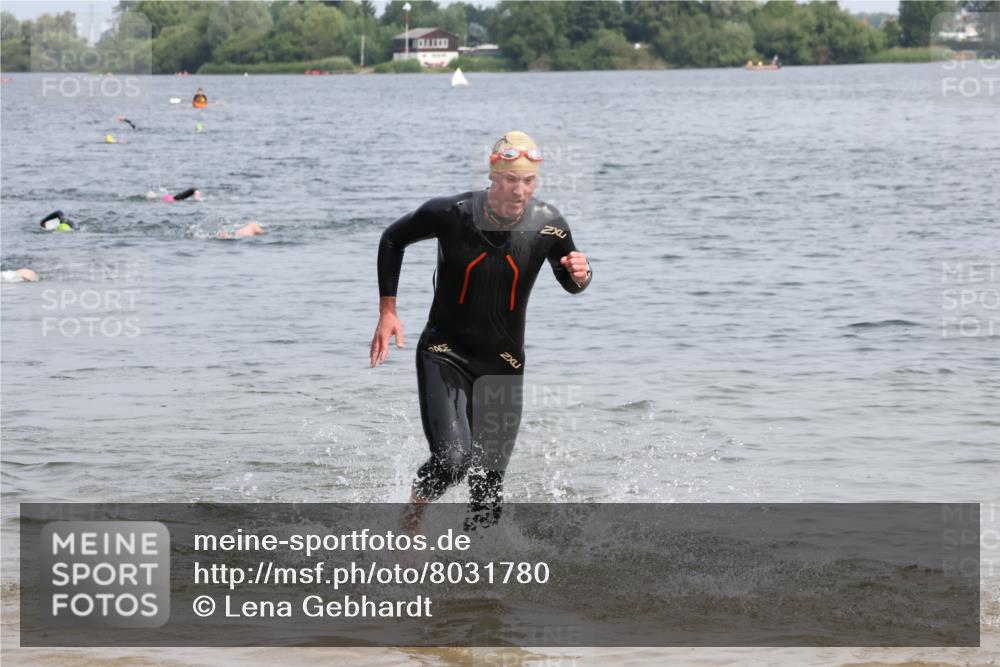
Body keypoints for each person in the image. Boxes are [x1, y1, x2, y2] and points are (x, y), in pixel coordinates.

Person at [371, 131, 592, 531]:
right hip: (445, 354)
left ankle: (478, 566)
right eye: (510, 179)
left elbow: (571, 280)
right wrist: (389, 310)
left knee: (488, 492)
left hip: (503, 364)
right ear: (493, 174)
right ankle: (412, 517)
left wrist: (582, 274)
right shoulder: (450, 213)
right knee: (452, 462)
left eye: (528, 181)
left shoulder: (550, 224)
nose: (519, 191)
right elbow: (393, 238)